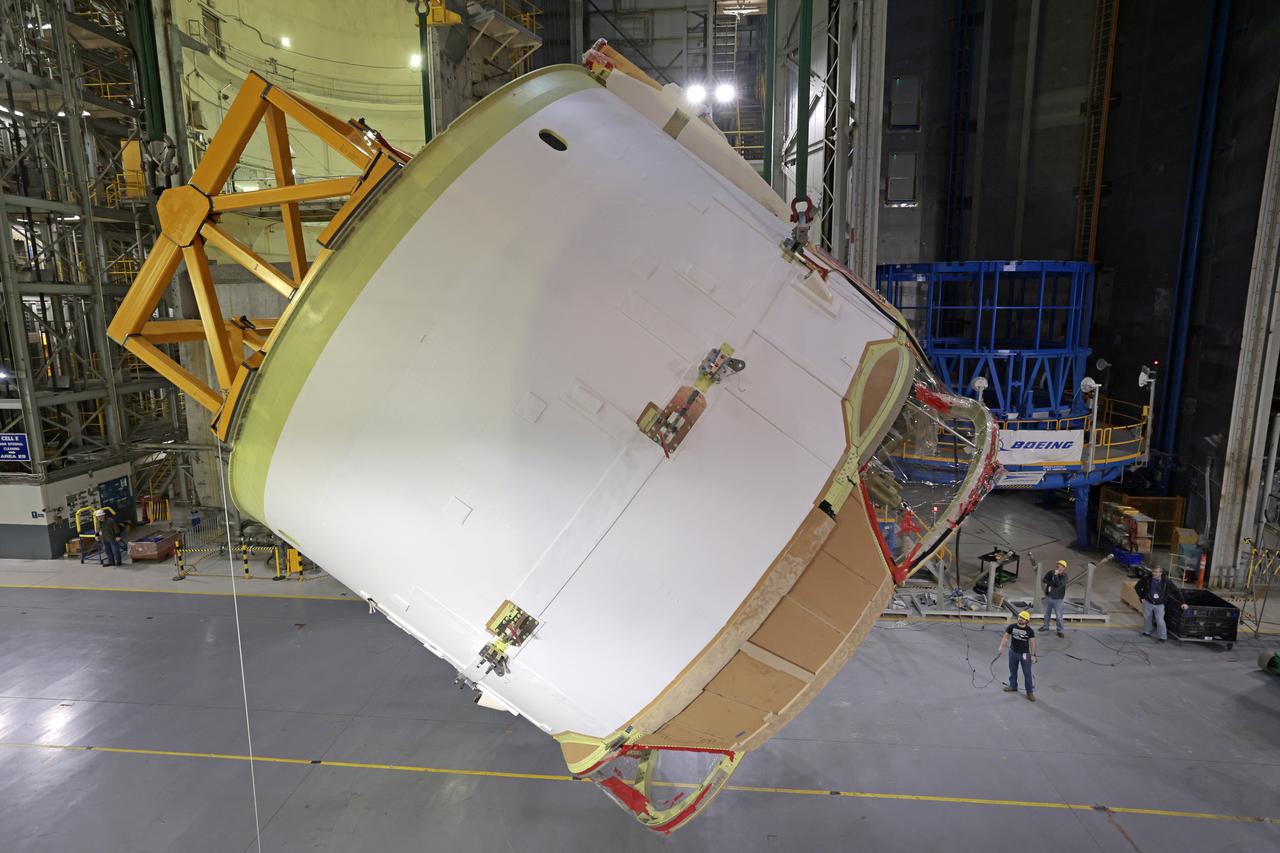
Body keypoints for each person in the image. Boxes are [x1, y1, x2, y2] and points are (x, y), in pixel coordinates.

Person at [1135, 565, 1188, 642]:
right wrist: (1142, 597)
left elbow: (1176, 591)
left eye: (1157, 572)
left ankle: (1163, 636)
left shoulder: (1166, 581)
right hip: (1148, 602)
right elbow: (1137, 587)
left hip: (1159, 604)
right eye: (1153, 572)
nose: (1155, 574)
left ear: (1161, 573)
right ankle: (1147, 631)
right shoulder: (1146, 578)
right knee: (1147, 617)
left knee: (1160, 620)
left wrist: (1183, 603)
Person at [999, 610, 1037, 701]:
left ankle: (1029, 692)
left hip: (1024, 654)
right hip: (1013, 652)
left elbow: (1032, 643)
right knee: (1012, 670)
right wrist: (1001, 647)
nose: (1021, 619)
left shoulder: (1029, 630)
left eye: (1024, 619)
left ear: (1027, 621)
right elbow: (1006, 637)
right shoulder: (1012, 627)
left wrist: (1033, 655)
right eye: (1020, 617)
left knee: (1027, 673)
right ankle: (1013, 686)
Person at [1041, 559, 1068, 637]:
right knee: (1047, 614)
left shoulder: (1064, 576)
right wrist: (1052, 583)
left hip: (1058, 599)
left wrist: (1056, 576)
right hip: (1049, 597)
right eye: (1058, 564)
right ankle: (1046, 626)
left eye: (1060, 565)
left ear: (1063, 568)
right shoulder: (1051, 572)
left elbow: (1059, 585)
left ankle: (1060, 630)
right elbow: (1044, 580)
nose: (1058, 566)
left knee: (1059, 616)